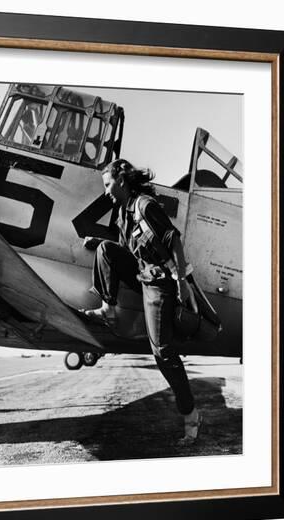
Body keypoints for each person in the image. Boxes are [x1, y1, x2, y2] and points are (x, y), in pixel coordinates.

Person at [83, 158, 201, 445]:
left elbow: (174, 240)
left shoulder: (145, 205)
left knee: (162, 352)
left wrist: (182, 284)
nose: (106, 191)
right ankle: (108, 308)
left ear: (121, 181)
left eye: (109, 185)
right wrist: (96, 241)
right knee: (105, 249)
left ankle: (191, 415)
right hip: (140, 274)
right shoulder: (123, 213)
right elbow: (125, 250)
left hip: (159, 283)